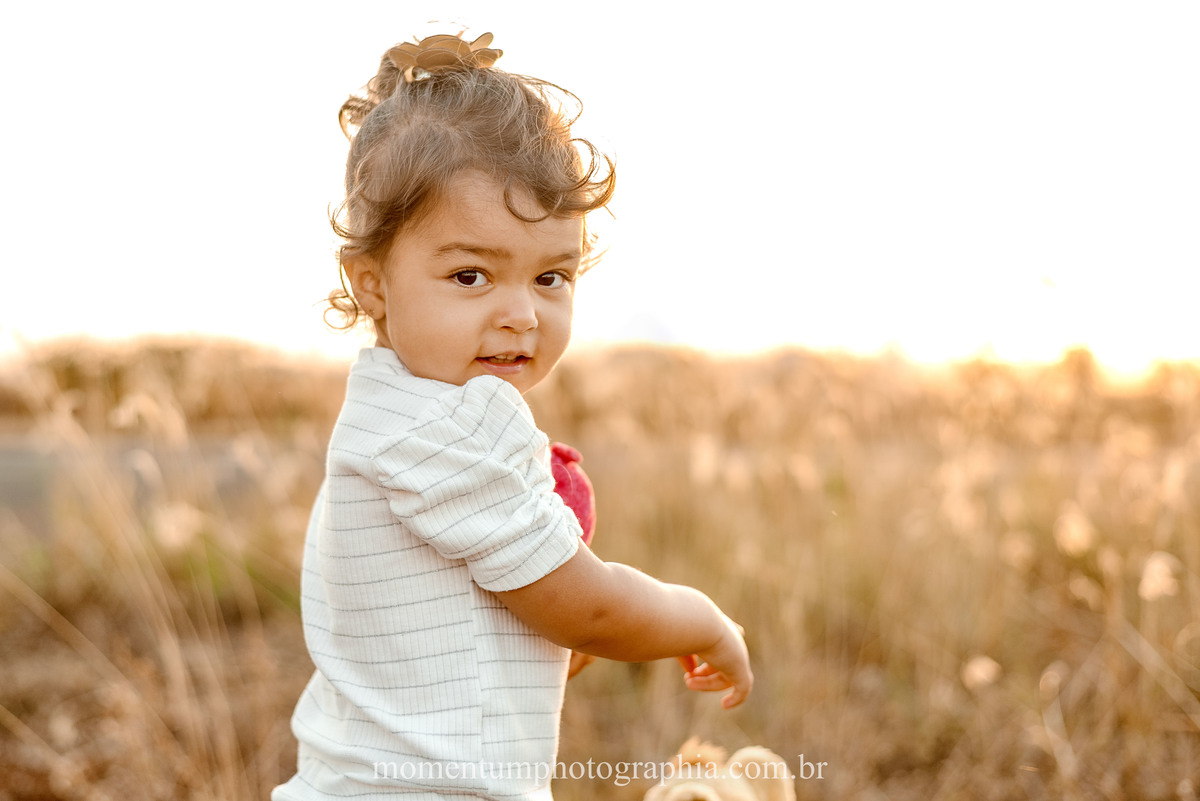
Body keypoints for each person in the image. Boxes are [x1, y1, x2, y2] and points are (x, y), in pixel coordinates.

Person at [273, 32, 752, 801]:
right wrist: (700, 619)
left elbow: (471, 625)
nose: (522, 313)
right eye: (471, 274)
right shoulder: (445, 432)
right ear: (372, 285)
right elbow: (588, 605)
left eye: (551, 275)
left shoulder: (392, 412)